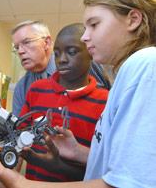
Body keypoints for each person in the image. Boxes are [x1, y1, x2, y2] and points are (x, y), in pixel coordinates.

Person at [0, 0, 156, 187]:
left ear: (133, 20)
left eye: (94, 24)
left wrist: (20, 183)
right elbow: (114, 161)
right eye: (17, 48)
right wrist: (79, 152)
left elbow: (127, 182)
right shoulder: (30, 85)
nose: (86, 37)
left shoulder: (144, 64)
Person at [16, 23, 108, 182]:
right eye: (57, 54)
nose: (62, 60)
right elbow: (19, 135)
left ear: (91, 52)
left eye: (71, 52)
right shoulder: (36, 89)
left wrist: (59, 166)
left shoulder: (106, 102)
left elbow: (105, 168)